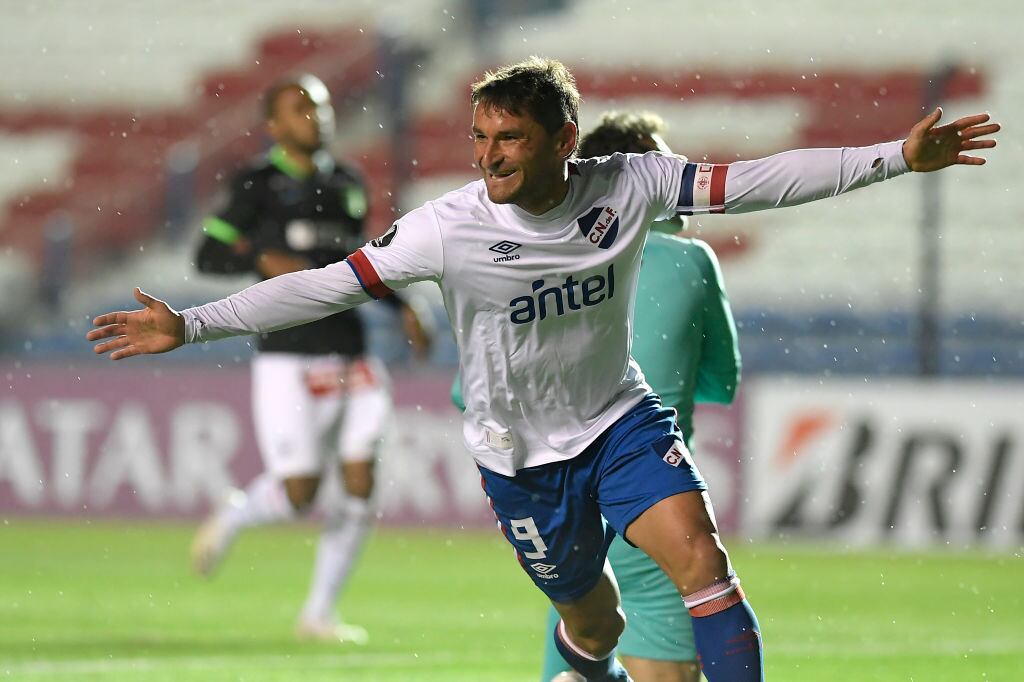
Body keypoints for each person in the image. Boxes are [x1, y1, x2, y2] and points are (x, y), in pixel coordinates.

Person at [87, 57, 998, 681]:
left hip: (619, 419)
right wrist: (193, 325)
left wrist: (895, 158)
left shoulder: (630, 184)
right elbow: (326, 285)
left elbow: (758, 181)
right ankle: (586, 665)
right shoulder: (448, 227)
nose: (488, 157)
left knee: (703, 561)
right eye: (480, 137)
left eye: (510, 139)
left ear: (565, 140)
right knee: (594, 623)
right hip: (520, 457)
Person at [189, 73, 431, 644]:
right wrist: (259, 257)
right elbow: (208, 253)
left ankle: (318, 614)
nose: (315, 117)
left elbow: (357, 264)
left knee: (360, 480)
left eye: (319, 107)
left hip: (350, 350)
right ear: (273, 125)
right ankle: (237, 512)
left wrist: (403, 307)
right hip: (288, 353)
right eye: (299, 108)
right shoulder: (256, 183)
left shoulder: (348, 182)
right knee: (299, 495)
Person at [532, 111, 740, 682]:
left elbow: (470, 394)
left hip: (558, 498)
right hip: (648, 489)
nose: (677, 176)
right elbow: (721, 381)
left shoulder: (542, 262)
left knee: (583, 648)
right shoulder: (691, 261)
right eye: (664, 165)